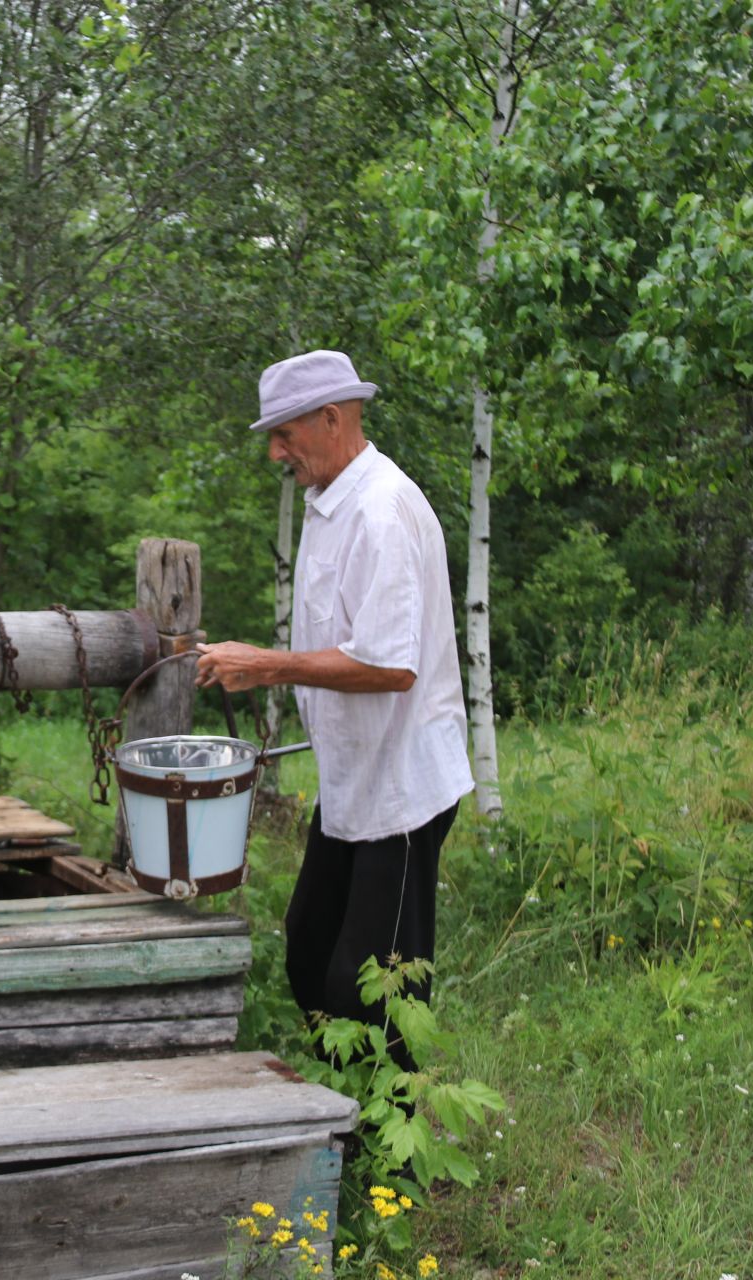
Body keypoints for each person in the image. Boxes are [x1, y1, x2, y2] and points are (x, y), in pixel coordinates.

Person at [194, 349, 473, 1068]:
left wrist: (263, 666)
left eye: (284, 433)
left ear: (332, 417)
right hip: (356, 781)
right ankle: (352, 1121)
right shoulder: (332, 501)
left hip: (404, 791)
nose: (273, 451)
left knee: (376, 988)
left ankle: (393, 1165)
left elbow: (390, 666)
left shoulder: (381, 511)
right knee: (310, 948)